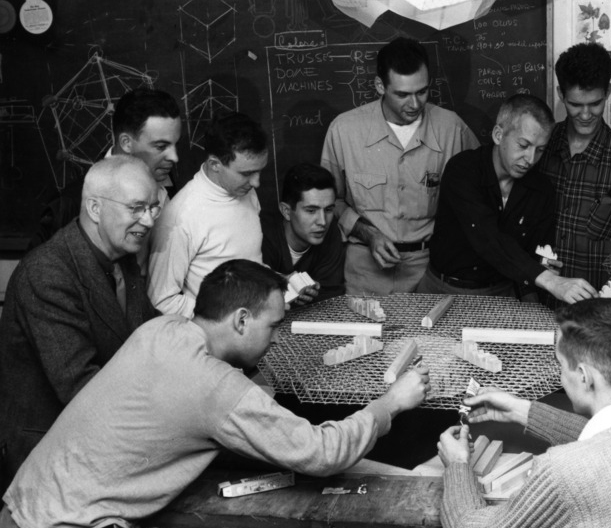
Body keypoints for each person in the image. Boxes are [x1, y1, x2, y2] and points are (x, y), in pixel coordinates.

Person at [1, 260, 430, 528]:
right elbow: (320, 453)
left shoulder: (161, 330)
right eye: (272, 326)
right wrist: (390, 403)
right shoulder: (215, 387)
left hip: (22, 505)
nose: (277, 338)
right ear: (241, 321)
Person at [437, 298, 611, 527]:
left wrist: (458, 465)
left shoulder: (564, 471)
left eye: (561, 364)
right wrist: (525, 411)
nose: (560, 375)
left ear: (584, 376)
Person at [0, 155, 160, 495]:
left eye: (153, 208)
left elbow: (149, 331)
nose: (147, 221)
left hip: (96, 437)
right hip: (46, 456)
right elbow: (81, 388)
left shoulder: (123, 259)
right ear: (95, 208)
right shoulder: (47, 273)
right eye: (136, 208)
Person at [321, 37, 479, 295]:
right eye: (403, 94)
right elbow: (330, 203)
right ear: (379, 86)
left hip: (432, 271)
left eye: (422, 92)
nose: (415, 104)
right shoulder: (344, 130)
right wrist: (367, 233)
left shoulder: (453, 129)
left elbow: (479, 197)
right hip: (363, 271)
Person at [418, 94, 596, 303]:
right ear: (498, 134)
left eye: (539, 150)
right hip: (442, 290)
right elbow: (486, 235)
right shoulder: (463, 170)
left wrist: (544, 270)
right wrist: (549, 280)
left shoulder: (541, 190)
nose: (530, 159)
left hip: (501, 295)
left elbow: (538, 252)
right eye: (523, 145)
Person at [536, 43, 611, 289]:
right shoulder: (541, 148)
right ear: (561, 94)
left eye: (594, 103)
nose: (585, 114)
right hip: (538, 299)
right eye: (575, 104)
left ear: (608, 92)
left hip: (599, 309)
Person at [30, 87, 182, 250]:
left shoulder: (167, 179)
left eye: (175, 144)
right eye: (160, 146)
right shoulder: (72, 204)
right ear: (126, 143)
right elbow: (36, 270)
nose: (174, 157)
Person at [148, 112, 268, 318]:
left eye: (260, 171)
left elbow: (247, 261)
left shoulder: (246, 190)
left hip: (257, 321)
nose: (256, 182)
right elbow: (162, 299)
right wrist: (222, 318)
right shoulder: (180, 217)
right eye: (247, 173)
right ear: (215, 165)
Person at [261, 163, 345, 304]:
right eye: (311, 211)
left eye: (328, 209)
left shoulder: (331, 233)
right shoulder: (263, 236)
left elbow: (330, 297)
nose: (323, 222)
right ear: (286, 211)